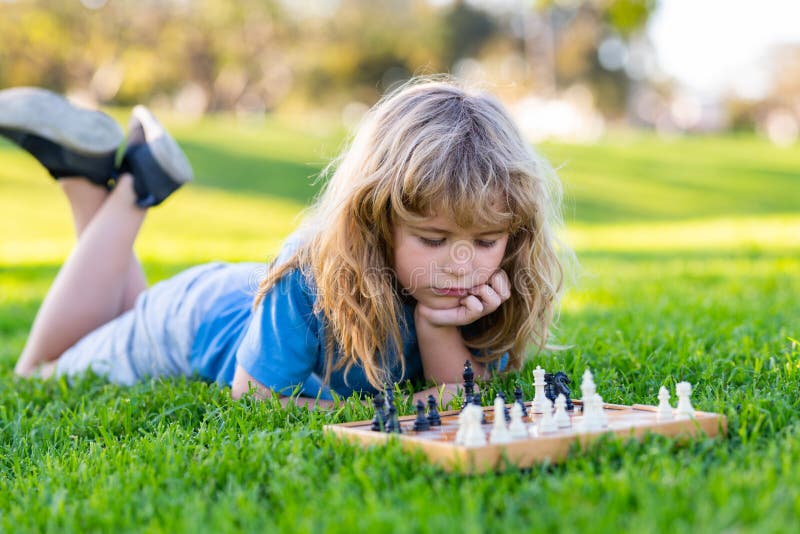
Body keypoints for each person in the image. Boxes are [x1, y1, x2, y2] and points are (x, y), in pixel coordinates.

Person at [6, 77, 569, 408]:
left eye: (487, 240)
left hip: (234, 295)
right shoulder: (310, 275)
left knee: (114, 313)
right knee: (39, 373)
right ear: (374, 218)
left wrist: (435, 324)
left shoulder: (490, 284)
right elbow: (255, 399)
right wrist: (378, 412)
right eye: (432, 238)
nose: (460, 264)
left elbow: (457, 392)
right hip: (186, 325)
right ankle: (133, 189)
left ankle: (81, 174)